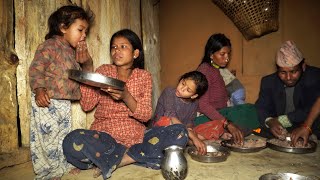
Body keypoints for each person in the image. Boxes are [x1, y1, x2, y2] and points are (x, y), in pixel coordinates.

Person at [62, 29, 188, 180]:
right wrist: (87, 68)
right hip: (105, 139)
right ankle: (127, 157)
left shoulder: (143, 76)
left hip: (136, 139)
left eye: (123, 47)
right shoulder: (104, 71)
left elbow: (146, 115)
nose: (116, 51)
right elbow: (87, 105)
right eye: (114, 47)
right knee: (72, 140)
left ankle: (120, 160)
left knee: (180, 131)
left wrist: (126, 96)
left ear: (135, 53)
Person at [28, 5, 93, 180]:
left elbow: (83, 76)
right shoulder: (49, 46)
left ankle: (62, 165)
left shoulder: (73, 53)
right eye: (80, 29)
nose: (84, 35)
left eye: (85, 31)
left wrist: (85, 62)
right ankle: (47, 172)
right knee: (47, 138)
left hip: (63, 102)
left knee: (63, 137)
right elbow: (36, 69)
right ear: (63, 27)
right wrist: (39, 90)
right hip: (46, 100)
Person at [195, 33, 261, 144]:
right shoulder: (205, 71)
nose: (227, 58)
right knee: (248, 112)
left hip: (221, 115)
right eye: (222, 54)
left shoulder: (215, 70)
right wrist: (227, 123)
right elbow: (203, 105)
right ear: (211, 54)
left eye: (228, 54)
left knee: (250, 110)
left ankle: (234, 133)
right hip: (206, 117)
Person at [255, 40, 320, 146]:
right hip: (282, 128)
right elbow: (261, 107)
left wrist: (281, 120)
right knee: (256, 129)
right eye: (283, 72)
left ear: (303, 66)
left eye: (294, 72)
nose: (288, 78)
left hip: (309, 126)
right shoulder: (268, 81)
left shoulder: (314, 77)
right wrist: (270, 121)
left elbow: (310, 108)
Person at [152, 71, 209, 155]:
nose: (182, 89)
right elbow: (171, 116)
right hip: (160, 129)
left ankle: (196, 142)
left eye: (188, 90)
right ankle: (189, 141)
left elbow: (190, 121)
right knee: (171, 122)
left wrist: (190, 130)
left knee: (202, 130)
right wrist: (193, 137)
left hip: (181, 130)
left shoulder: (195, 103)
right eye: (183, 83)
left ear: (194, 95)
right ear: (181, 79)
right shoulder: (169, 92)